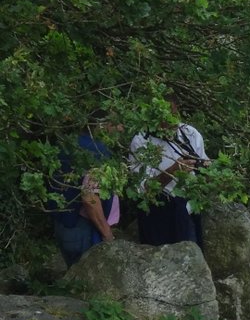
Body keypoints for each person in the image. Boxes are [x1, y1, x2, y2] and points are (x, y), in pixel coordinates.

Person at [128, 100, 209, 248]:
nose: (171, 121)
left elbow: (204, 166)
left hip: (189, 206)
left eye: (173, 114)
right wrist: (172, 172)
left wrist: (206, 170)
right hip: (158, 213)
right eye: (165, 116)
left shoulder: (189, 133)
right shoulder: (141, 141)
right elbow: (142, 192)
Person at [49, 125, 121, 265]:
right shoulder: (96, 150)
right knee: (91, 281)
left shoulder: (66, 143)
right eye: (116, 123)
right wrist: (107, 234)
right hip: (84, 229)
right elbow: (89, 198)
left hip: (64, 224)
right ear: (102, 124)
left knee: (75, 278)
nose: (120, 129)